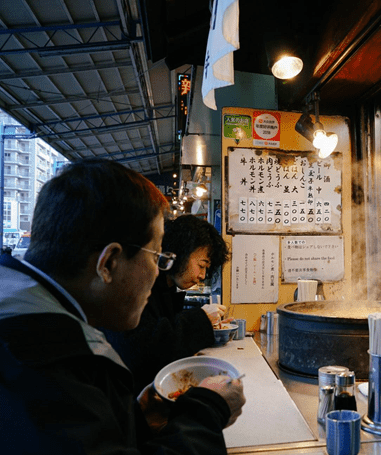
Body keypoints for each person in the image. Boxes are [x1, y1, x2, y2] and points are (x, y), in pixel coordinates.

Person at [0, 159, 245, 454]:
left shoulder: (33, 323)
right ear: (109, 263)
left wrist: (134, 419)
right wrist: (207, 409)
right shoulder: (40, 360)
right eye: (156, 256)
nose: (158, 272)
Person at [104, 214, 231, 392]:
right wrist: (201, 320)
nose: (202, 275)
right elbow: (142, 348)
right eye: (202, 265)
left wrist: (207, 323)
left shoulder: (168, 288)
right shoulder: (141, 282)